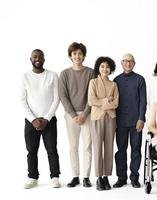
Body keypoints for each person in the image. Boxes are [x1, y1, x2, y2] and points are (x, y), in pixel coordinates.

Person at [21, 49, 61, 189]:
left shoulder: (53, 75)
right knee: (31, 150)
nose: (37, 58)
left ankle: (55, 177)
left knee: (52, 150)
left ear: (44, 59)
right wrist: (33, 119)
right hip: (31, 121)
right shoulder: (25, 77)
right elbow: (22, 101)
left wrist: (46, 119)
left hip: (49, 120)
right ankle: (32, 177)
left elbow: (57, 99)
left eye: (40, 56)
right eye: (35, 56)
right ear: (30, 59)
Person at [58, 42, 93, 187]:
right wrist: (73, 115)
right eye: (74, 54)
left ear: (84, 55)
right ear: (70, 56)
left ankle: (86, 177)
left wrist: (84, 114)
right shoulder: (65, 73)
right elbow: (62, 95)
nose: (77, 56)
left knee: (87, 146)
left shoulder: (91, 72)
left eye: (80, 53)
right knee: (73, 146)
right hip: (70, 115)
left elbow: (92, 95)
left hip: (88, 114)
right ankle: (75, 176)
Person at [113, 54, 147, 188]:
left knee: (136, 149)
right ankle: (121, 177)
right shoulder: (116, 80)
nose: (128, 63)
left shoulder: (140, 79)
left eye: (131, 61)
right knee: (121, 149)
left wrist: (141, 118)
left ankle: (134, 177)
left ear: (134, 64)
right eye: (125, 61)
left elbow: (143, 101)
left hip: (135, 121)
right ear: (121, 63)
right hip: (120, 122)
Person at [88, 56, 119, 191]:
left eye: (107, 67)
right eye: (102, 66)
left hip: (111, 118)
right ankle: (98, 177)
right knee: (97, 148)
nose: (105, 69)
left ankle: (106, 176)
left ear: (110, 69)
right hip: (96, 118)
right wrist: (107, 100)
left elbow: (116, 103)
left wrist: (102, 102)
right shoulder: (93, 82)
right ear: (98, 68)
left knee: (109, 147)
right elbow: (91, 101)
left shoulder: (114, 84)